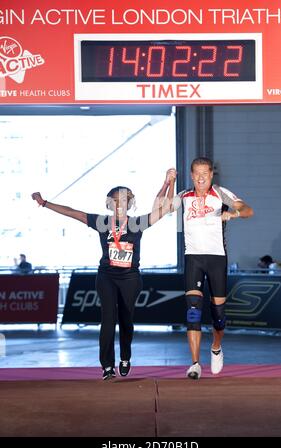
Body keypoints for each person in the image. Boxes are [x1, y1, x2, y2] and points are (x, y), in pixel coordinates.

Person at [32, 169, 176, 380]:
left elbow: (165, 208)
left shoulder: (137, 224)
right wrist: (45, 203)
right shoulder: (102, 223)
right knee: (108, 319)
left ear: (130, 203)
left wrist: (169, 183)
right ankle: (107, 366)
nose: (120, 205)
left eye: (125, 200)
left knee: (126, 320)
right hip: (106, 276)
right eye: (116, 201)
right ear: (110, 203)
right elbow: (74, 213)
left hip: (130, 278)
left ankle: (125, 357)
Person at [172, 157, 253, 379]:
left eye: (205, 174)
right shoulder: (184, 196)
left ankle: (216, 347)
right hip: (193, 259)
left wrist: (233, 213)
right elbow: (161, 207)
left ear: (211, 175)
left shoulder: (220, 193)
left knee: (218, 316)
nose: (200, 178)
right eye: (196, 173)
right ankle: (195, 363)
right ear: (191, 175)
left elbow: (248, 210)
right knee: (193, 311)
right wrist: (167, 183)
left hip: (217, 259)